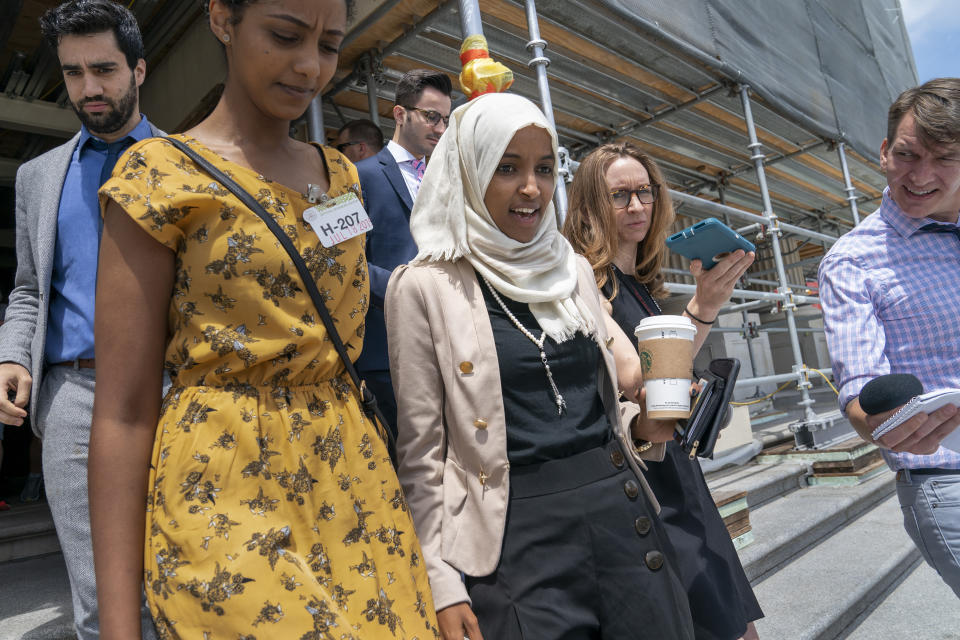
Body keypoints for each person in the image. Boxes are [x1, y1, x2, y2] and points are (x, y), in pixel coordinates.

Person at [89, 0, 440, 638]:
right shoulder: (158, 176)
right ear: (222, 18)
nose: (309, 66)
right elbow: (122, 412)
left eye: (330, 45)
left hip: (353, 481)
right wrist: (119, 628)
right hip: (223, 483)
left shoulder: (340, 177)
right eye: (284, 35)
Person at [387, 92, 695, 640]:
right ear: (468, 171)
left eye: (545, 169)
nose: (532, 188)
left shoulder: (570, 269)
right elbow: (422, 454)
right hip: (515, 538)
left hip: (623, 512)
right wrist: (442, 582)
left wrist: (645, 423)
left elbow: (598, 408)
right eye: (507, 168)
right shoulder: (424, 287)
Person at [0, 2, 162, 637]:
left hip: (174, 393)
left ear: (139, 69)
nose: (89, 88)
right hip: (71, 397)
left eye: (104, 69)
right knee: (99, 596)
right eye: (73, 73)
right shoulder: (40, 177)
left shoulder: (192, 164)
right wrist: (12, 354)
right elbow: (28, 290)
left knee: (187, 573)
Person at [563, 142, 762, 640]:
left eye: (644, 193)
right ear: (589, 205)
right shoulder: (586, 279)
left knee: (732, 623)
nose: (636, 207)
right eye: (619, 196)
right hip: (647, 482)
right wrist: (703, 306)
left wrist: (705, 306)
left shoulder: (637, 283)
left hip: (678, 467)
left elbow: (665, 375)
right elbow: (638, 383)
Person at [819, 77, 960, 598]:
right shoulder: (853, 261)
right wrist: (877, 422)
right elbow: (860, 387)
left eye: (944, 158)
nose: (920, 175)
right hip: (949, 479)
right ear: (884, 152)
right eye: (907, 154)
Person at [355, 68, 453, 435]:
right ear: (400, 114)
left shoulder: (446, 181)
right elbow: (345, 261)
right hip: (386, 348)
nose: (441, 129)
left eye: (445, 119)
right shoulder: (357, 175)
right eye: (432, 117)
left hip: (447, 344)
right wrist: (406, 290)